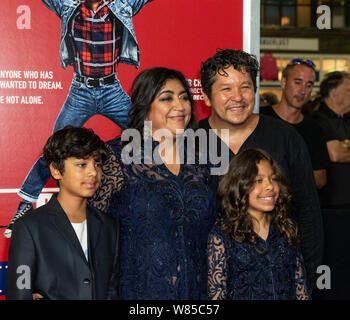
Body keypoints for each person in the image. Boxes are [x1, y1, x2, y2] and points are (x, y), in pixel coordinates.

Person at [4, 0, 154, 238]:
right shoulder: (67, 4)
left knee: (149, 138)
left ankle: (161, 202)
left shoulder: (123, 4)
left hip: (111, 90)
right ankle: (24, 205)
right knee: (53, 151)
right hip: (80, 91)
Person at [198, 48, 323, 289]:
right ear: (205, 96)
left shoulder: (285, 137)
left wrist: (308, 277)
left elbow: (308, 210)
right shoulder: (189, 141)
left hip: (277, 279)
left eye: (245, 87)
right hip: (207, 280)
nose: (238, 97)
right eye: (226, 89)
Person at [90, 67, 218, 299]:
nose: (179, 106)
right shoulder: (117, 157)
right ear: (145, 106)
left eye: (184, 97)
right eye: (166, 98)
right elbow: (87, 231)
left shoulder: (204, 161)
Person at [6, 126, 120, 300]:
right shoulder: (29, 227)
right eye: (82, 165)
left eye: (97, 164)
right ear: (56, 170)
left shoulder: (109, 226)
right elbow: (19, 294)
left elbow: (111, 292)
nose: (93, 172)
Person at [207, 148, 310, 300]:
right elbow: (216, 297)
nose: (269, 186)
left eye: (273, 179)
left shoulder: (286, 229)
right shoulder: (223, 236)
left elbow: (301, 291)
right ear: (239, 186)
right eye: (258, 180)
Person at [260, 58, 329, 189]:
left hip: (297, 207)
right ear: (283, 82)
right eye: (298, 82)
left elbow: (320, 179)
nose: (303, 91)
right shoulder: (260, 118)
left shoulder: (314, 129)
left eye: (309, 85)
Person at [311, 71, 350, 299]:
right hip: (330, 210)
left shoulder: (345, 120)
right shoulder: (318, 120)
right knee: (332, 268)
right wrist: (341, 147)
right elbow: (335, 154)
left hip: (346, 207)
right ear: (334, 93)